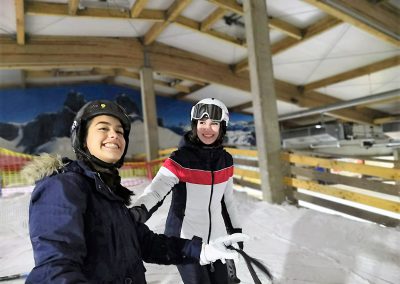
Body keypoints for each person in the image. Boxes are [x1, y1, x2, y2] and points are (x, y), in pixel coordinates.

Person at [23, 100, 248, 283]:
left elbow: (145, 243)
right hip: (186, 232)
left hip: (210, 241)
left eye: (119, 131)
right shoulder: (64, 187)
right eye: (103, 128)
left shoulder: (108, 193)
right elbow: (55, 269)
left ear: (222, 128)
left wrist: (210, 247)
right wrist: (139, 211)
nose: (114, 135)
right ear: (81, 138)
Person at [130, 98, 243, 284]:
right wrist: (136, 213)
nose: (207, 129)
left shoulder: (226, 161)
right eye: (202, 123)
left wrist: (235, 232)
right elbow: (155, 192)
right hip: (185, 240)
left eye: (214, 124)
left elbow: (227, 201)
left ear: (223, 127)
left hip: (217, 239)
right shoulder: (180, 160)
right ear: (194, 125)